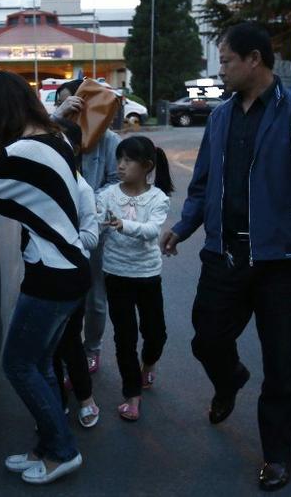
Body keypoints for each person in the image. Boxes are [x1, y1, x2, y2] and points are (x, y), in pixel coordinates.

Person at [159, 22, 291, 491]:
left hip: (278, 261)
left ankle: (277, 456)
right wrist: (184, 227)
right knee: (206, 340)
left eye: (227, 60)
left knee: (281, 362)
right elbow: (203, 183)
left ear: (255, 60)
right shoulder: (222, 116)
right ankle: (229, 381)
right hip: (224, 253)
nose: (221, 69)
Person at [0, 71, 90, 485]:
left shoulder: (21, 153)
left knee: (17, 363)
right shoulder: (54, 138)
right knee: (39, 362)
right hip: (67, 268)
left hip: (52, 274)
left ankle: (62, 450)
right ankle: (46, 447)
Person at [96, 136, 172, 421]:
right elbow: (94, 220)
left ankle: (148, 364)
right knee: (124, 337)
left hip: (147, 275)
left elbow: (152, 230)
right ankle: (132, 395)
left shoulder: (157, 198)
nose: (121, 165)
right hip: (116, 275)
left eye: (128, 160)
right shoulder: (107, 195)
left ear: (147, 166)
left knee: (156, 333)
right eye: (119, 159)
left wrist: (122, 224)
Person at [52, 79, 120, 375]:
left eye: (74, 104)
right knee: (62, 296)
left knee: (95, 298)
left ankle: (92, 348)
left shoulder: (109, 140)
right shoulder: (53, 135)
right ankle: (67, 347)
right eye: (62, 105)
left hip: (94, 232)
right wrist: (56, 117)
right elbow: (21, 140)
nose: (69, 111)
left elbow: (117, 183)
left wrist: (87, 202)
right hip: (57, 230)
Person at [52, 121, 101, 428]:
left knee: (68, 340)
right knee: (49, 346)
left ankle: (86, 398)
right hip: (43, 276)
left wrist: (60, 241)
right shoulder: (43, 184)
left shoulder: (81, 188)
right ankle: (57, 403)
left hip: (71, 275)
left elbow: (92, 238)